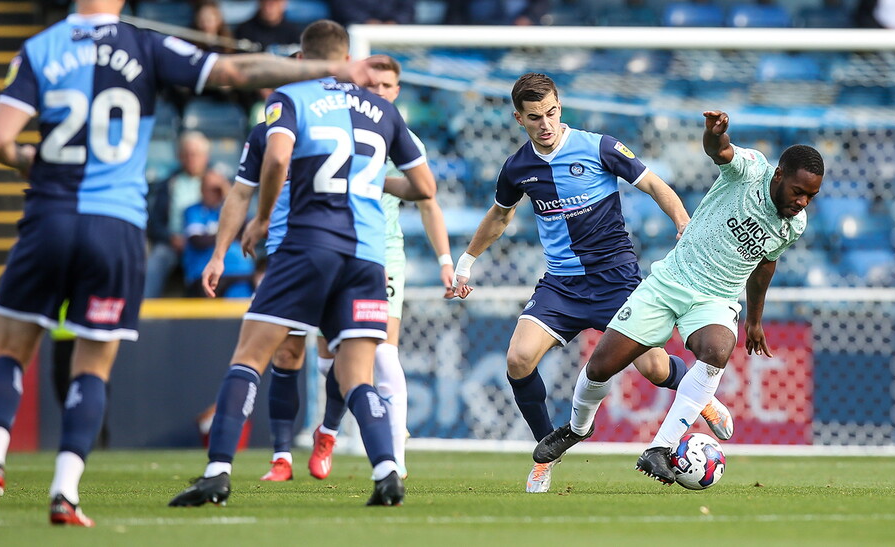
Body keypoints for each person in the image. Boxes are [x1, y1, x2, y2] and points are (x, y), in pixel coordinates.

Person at [0, 0, 389, 528]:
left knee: (9, 350)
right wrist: (328, 67)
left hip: (49, 218)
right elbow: (237, 68)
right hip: (117, 228)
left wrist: (33, 162)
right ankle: (65, 492)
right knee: (92, 365)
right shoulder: (146, 43)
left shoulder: (39, 48)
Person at [167, 20, 436, 508]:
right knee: (357, 376)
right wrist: (373, 182)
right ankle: (387, 471)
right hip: (367, 257)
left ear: (305, 59)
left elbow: (273, 164)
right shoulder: (382, 108)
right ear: (346, 56)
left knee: (250, 356)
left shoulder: (289, 101)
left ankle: (217, 472)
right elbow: (425, 188)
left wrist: (263, 219)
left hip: (306, 245)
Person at [450, 73, 733, 493]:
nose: (544, 124)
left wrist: (682, 222)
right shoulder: (517, 168)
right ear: (518, 119)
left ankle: (701, 397)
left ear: (559, 107)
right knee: (518, 360)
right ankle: (547, 453)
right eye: (534, 117)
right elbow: (500, 216)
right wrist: (467, 260)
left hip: (616, 281)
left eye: (550, 113)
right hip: (560, 286)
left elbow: (654, 184)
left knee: (655, 369)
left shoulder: (599, 147)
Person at [533, 111, 824, 485]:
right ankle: (576, 428)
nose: (803, 202)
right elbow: (720, 153)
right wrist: (713, 135)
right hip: (670, 282)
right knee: (600, 368)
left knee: (718, 349)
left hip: (716, 299)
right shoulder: (751, 170)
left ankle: (660, 448)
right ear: (780, 176)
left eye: (811, 196)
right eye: (798, 192)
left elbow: (766, 264)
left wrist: (754, 319)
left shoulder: (793, 224)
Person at [256, 56, 455, 482]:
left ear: (397, 91)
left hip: (382, 254)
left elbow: (426, 197)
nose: (380, 91)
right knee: (330, 358)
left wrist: (444, 261)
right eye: (375, 83)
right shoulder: (329, 122)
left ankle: (394, 462)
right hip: (325, 247)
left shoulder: (396, 132)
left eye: (388, 86)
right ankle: (326, 431)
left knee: (384, 355)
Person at [145, 131, 211, 298]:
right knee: (157, 260)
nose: (191, 159)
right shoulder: (169, 184)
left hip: (207, 242)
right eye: (187, 155)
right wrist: (171, 238)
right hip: (173, 242)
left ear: (206, 157)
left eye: (196, 154)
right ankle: (144, 310)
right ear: (180, 157)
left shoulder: (215, 183)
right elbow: (154, 223)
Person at [181, 169, 255, 297]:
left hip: (239, 272)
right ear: (202, 189)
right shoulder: (194, 211)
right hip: (203, 272)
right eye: (211, 189)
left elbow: (247, 230)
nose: (215, 193)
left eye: (218, 189)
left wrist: (229, 196)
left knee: (239, 305)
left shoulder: (228, 212)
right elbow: (198, 240)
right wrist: (230, 235)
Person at [234, 0, 303, 52]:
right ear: (259, 2)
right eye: (266, 1)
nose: (269, 7)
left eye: (274, 2)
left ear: (283, 3)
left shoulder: (293, 32)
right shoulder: (245, 30)